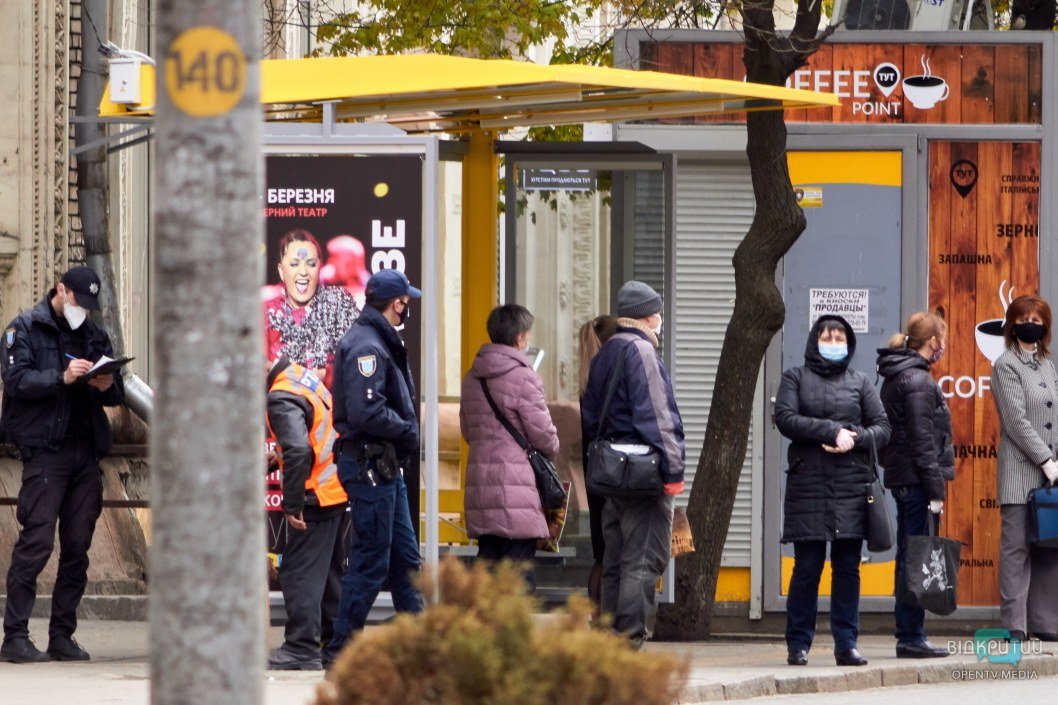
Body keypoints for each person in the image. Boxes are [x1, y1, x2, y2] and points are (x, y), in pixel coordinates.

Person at [0, 267, 126, 663]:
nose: (82, 311)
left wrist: (108, 385)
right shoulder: (25, 327)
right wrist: (62, 377)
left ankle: (62, 636)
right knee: (36, 542)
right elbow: (16, 381)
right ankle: (15, 636)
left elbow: (117, 390)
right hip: (45, 453)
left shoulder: (93, 334)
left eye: (89, 306)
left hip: (84, 453)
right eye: (77, 302)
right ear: (61, 290)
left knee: (77, 546)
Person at [774, 315, 890, 668]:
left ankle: (846, 643)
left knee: (848, 567)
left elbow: (882, 427)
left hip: (853, 487)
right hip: (808, 485)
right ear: (814, 339)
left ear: (849, 342)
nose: (833, 340)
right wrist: (830, 431)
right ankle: (798, 644)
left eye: (840, 336)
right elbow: (785, 417)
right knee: (807, 567)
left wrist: (855, 438)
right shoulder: (795, 377)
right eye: (827, 335)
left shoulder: (861, 381)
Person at [323, 269, 424, 665]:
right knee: (370, 560)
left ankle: (423, 653)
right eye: (405, 300)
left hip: (382, 467)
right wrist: (407, 430)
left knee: (405, 562)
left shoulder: (377, 338)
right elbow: (368, 411)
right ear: (395, 302)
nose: (408, 307)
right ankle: (342, 653)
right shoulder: (367, 345)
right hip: (370, 465)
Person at [580, 281, 684, 649]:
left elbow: (590, 418)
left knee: (615, 563)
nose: (662, 321)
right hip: (644, 477)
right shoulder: (641, 351)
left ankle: (608, 643)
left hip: (612, 477)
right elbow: (659, 418)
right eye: (659, 312)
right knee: (642, 563)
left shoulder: (605, 353)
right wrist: (673, 473)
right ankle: (628, 645)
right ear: (649, 315)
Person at [460, 305, 560, 589]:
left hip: (481, 488)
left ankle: (484, 631)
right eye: (527, 335)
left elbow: (468, 431)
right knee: (518, 574)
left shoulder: (472, 378)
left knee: (488, 566)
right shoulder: (524, 377)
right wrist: (553, 445)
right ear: (519, 338)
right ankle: (513, 632)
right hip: (517, 487)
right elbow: (545, 438)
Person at [876, 310, 953, 659]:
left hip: (904, 477)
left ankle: (909, 631)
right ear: (932, 342)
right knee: (916, 557)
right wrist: (936, 491)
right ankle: (911, 635)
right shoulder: (919, 381)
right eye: (943, 340)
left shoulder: (897, 374)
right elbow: (924, 443)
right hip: (918, 480)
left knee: (909, 554)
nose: (944, 346)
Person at [265, 357, 349, 671]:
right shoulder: (298, 376)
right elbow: (313, 432)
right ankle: (335, 645)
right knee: (327, 577)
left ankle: (302, 647)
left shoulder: (280, 395)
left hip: (316, 495)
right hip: (334, 488)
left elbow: (300, 449)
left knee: (298, 571)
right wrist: (281, 454)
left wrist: (292, 503)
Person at [991, 295, 1058, 643]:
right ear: (1012, 324)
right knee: (1016, 549)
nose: (1031, 322)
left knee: (1049, 546)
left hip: (1052, 474)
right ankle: (1015, 626)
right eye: (1024, 317)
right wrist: (1045, 460)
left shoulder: (1047, 364)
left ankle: (1045, 623)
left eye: (1037, 317)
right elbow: (1015, 421)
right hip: (1021, 474)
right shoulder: (1005, 365)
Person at [264, 229, 360, 389]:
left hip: (328, 408)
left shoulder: (341, 308)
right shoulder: (266, 312)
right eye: (294, 264)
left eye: (311, 264)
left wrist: (325, 373)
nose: (303, 272)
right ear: (281, 270)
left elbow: (356, 364)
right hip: (278, 407)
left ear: (319, 267)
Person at [577, 314, 618, 604]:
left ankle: (596, 619)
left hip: (594, 473)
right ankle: (608, 623)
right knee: (614, 555)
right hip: (615, 473)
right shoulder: (610, 377)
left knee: (601, 554)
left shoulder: (586, 379)